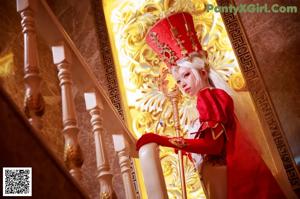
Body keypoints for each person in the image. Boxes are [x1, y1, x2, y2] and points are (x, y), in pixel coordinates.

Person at [136, 12, 286, 199]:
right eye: (178, 80)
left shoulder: (209, 97)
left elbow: (213, 146)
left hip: (240, 180)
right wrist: (187, 148)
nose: (182, 83)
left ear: (203, 72)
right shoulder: (211, 98)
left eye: (186, 75)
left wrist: (164, 140)